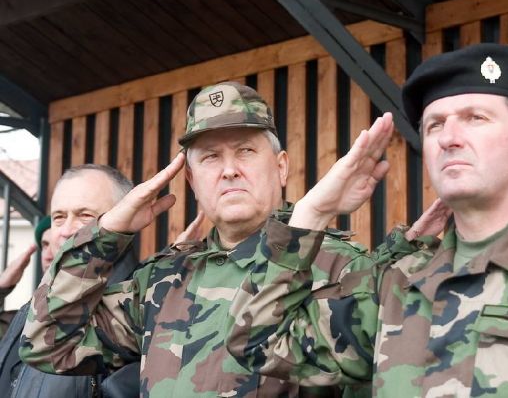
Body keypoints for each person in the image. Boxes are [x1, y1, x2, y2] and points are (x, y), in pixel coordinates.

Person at [224, 43, 508, 397]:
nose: (449, 138)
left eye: (476, 118)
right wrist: (312, 213)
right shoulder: (396, 282)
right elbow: (257, 343)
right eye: (435, 125)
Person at [20, 82, 373, 397]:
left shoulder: (339, 267)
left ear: (281, 167)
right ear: (191, 179)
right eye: (211, 157)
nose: (229, 170)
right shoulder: (162, 281)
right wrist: (107, 232)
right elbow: (46, 344)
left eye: (245, 151)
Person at [0, 165, 139, 398]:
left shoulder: (140, 309)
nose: (65, 231)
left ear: (127, 217)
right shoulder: (33, 307)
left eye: (85, 215)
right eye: (58, 217)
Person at [0, 216, 50, 338]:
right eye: (45, 245)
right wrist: (2, 287)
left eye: (60, 245)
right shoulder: (21, 321)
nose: (48, 256)